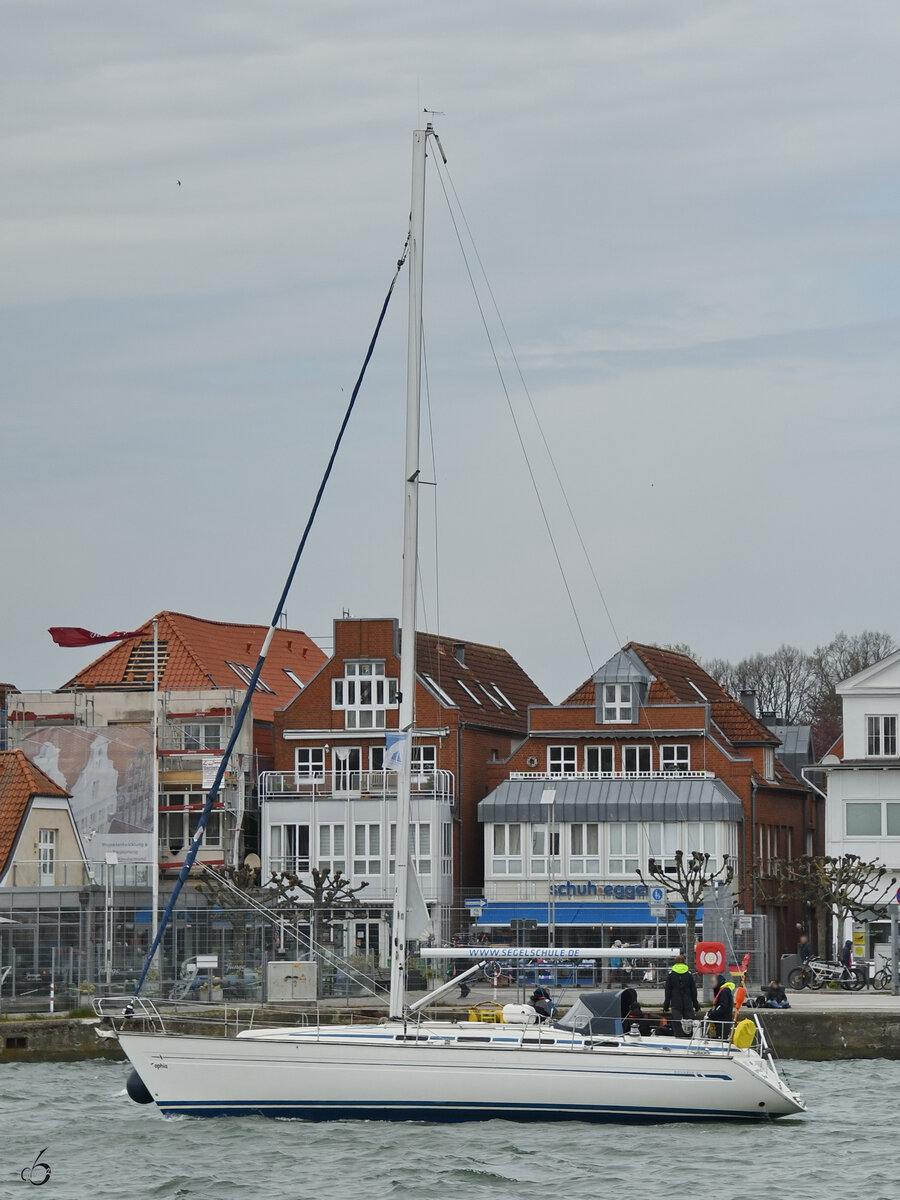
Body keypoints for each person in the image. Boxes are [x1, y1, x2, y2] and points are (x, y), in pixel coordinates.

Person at [663, 955, 698, 1036]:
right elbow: (693, 991)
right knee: (689, 1019)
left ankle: (679, 1035)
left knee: (677, 1020)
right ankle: (689, 1035)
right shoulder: (689, 974)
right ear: (684, 962)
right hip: (687, 1001)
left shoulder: (671, 974)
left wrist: (666, 1005)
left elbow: (667, 991)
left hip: (675, 1001)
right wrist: (696, 1005)